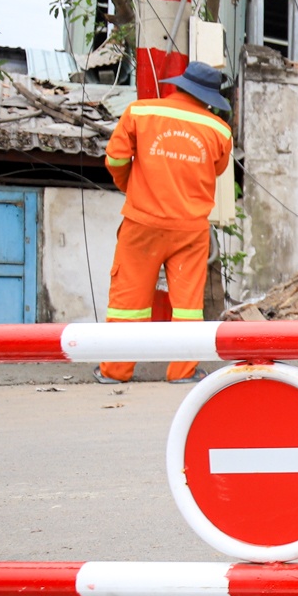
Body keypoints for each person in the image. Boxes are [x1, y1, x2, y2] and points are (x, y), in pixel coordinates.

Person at [98, 60, 232, 384]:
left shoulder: (139, 113)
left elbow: (114, 159)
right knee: (187, 305)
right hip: (190, 229)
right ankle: (182, 372)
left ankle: (116, 371)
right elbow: (215, 170)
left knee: (129, 301)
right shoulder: (219, 130)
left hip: (142, 224)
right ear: (209, 96)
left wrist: (132, 186)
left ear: (181, 85)